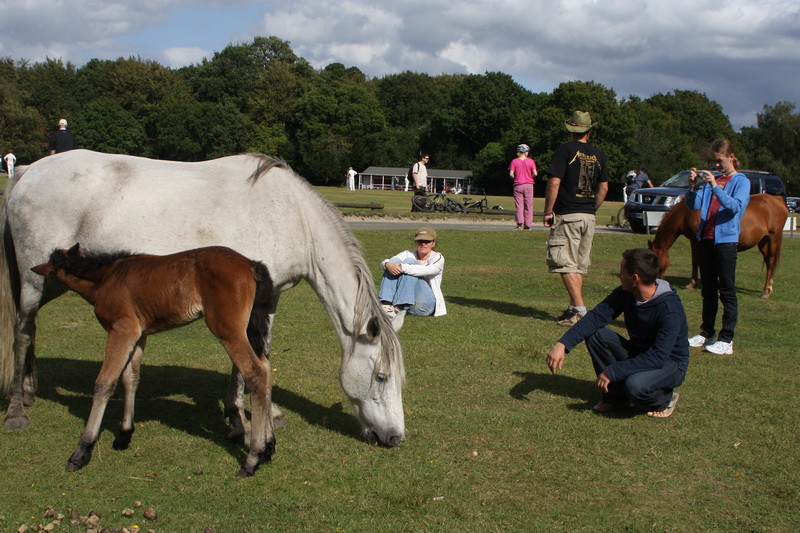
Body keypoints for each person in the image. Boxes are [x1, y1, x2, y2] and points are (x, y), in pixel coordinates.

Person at [545, 248, 689, 418]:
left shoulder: (669, 309)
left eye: (622, 271)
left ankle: (664, 399)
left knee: (635, 386)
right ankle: (616, 397)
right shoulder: (627, 293)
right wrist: (563, 343)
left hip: (669, 363)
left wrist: (613, 371)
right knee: (597, 335)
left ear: (634, 278)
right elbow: (596, 317)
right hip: (641, 353)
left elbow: (658, 357)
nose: (619, 275)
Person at [542, 110, 609, 326]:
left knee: (565, 263)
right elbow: (604, 187)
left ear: (571, 129)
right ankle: (573, 308)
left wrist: (548, 211)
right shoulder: (598, 154)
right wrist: (591, 208)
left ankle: (580, 312)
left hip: (568, 214)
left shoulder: (565, 149)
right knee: (577, 265)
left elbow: (554, 182)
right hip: (588, 216)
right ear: (589, 131)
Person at [685, 139, 750, 355]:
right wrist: (693, 187)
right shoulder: (715, 179)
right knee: (708, 289)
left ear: (731, 157)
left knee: (727, 290)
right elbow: (694, 205)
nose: (717, 166)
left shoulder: (741, 181)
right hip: (706, 238)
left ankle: (727, 339)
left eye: (720, 161)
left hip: (726, 241)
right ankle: (706, 333)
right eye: (714, 162)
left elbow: (734, 207)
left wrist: (714, 185)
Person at [378, 227, 446, 331]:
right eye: (420, 241)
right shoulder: (408, 253)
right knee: (395, 261)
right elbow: (388, 261)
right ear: (416, 242)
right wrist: (387, 264)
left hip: (424, 306)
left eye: (427, 241)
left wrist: (402, 267)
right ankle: (386, 304)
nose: (423, 244)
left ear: (433, 243)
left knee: (410, 262)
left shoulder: (438, 258)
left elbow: (427, 270)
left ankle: (398, 306)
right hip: (409, 307)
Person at [509, 144, 538, 230]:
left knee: (519, 205)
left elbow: (511, 174)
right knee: (528, 205)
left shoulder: (514, 161)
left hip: (518, 185)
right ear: (525, 152)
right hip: (529, 185)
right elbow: (535, 173)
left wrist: (516, 178)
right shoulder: (531, 161)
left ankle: (520, 224)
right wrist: (529, 177)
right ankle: (528, 224)